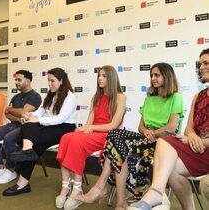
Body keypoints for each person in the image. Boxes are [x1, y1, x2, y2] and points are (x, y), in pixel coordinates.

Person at [79, 63, 184, 210]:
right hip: (147, 138)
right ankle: (118, 200)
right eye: (151, 75)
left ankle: (104, 189)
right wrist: (146, 131)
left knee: (116, 147)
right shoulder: (149, 99)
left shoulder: (176, 97)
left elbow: (171, 127)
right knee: (115, 136)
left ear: (167, 76)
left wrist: (153, 133)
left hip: (165, 142)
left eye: (157, 75)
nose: (153, 78)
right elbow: (141, 126)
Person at [128, 48, 209, 210]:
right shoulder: (198, 96)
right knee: (169, 161)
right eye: (200, 64)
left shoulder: (176, 97)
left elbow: (173, 127)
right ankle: (159, 192)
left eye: (206, 63)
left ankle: (155, 192)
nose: (201, 67)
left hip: (204, 147)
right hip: (199, 150)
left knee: (166, 140)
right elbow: (188, 128)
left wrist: (200, 140)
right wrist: (192, 135)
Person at [55, 65, 126, 210]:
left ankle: (77, 189)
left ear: (112, 78)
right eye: (99, 75)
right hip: (94, 133)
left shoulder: (120, 97)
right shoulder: (96, 97)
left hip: (109, 136)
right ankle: (65, 187)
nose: (100, 78)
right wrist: (81, 129)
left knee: (76, 141)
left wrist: (90, 128)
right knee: (67, 137)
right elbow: (89, 123)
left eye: (104, 76)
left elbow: (113, 125)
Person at [2, 67, 77, 196]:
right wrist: (29, 116)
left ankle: (22, 182)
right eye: (48, 81)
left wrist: (37, 120)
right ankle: (26, 151)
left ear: (61, 81)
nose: (49, 84)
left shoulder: (70, 96)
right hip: (49, 125)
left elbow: (61, 118)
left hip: (64, 128)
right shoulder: (50, 95)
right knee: (27, 125)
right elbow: (40, 111)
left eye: (52, 81)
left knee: (35, 142)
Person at [0, 70, 41, 184]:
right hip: (14, 124)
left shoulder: (35, 96)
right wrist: (16, 115)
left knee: (8, 139)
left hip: (27, 127)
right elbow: (7, 114)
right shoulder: (15, 97)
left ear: (28, 80)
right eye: (15, 80)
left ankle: (11, 170)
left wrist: (11, 109)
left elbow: (23, 112)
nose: (16, 82)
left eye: (19, 80)